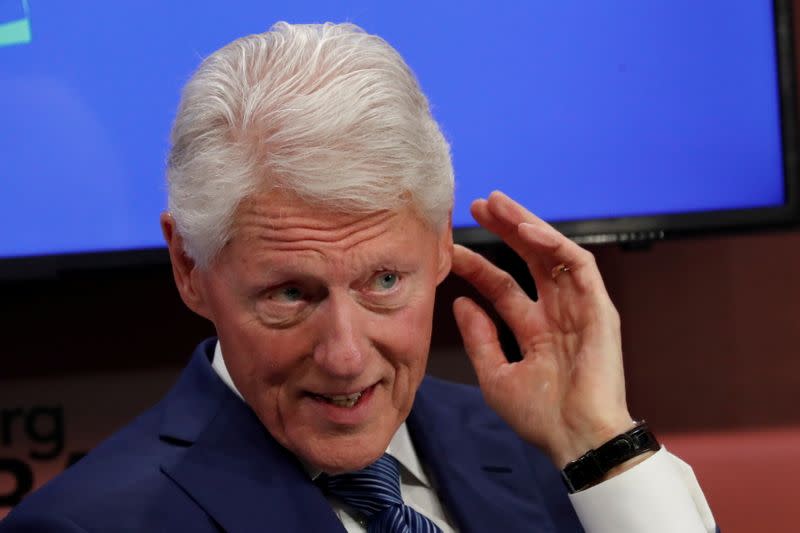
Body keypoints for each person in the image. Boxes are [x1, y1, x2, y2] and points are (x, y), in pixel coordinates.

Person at [0, 22, 717, 532]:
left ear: (440, 245)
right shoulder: (87, 523)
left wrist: (598, 439)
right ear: (190, 267)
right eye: (289, 293)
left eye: (382, 281)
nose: (345, 355)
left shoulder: (552, 453)